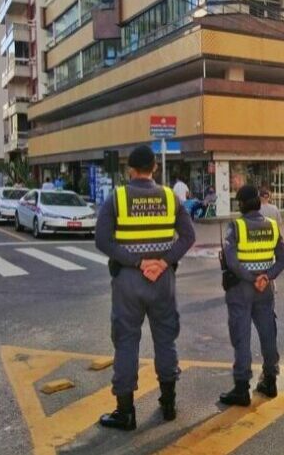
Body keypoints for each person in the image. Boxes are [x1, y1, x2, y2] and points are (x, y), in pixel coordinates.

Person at [95, 144, 196, 430]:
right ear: (155, 168)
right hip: (163, 280)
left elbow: (103, 241)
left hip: (128, 279)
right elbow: (188, 236)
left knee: (126, 341)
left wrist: (137, 262)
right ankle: (168, 405)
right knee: (166, 340)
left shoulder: (117, 198)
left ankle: (125, 412)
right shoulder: (169, 197)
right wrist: (163, 262)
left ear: (130, 169)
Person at [219, 185, 284, 407]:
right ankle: (270, 380)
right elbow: (283, 259)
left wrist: (251, 278)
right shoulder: (272, 227)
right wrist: (266, 277)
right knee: (268, 333)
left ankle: (241, 388)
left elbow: (231, 261)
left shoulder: (236, 227)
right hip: (264, 289)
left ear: (241, 205)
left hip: (241, 289)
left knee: (241, 336)